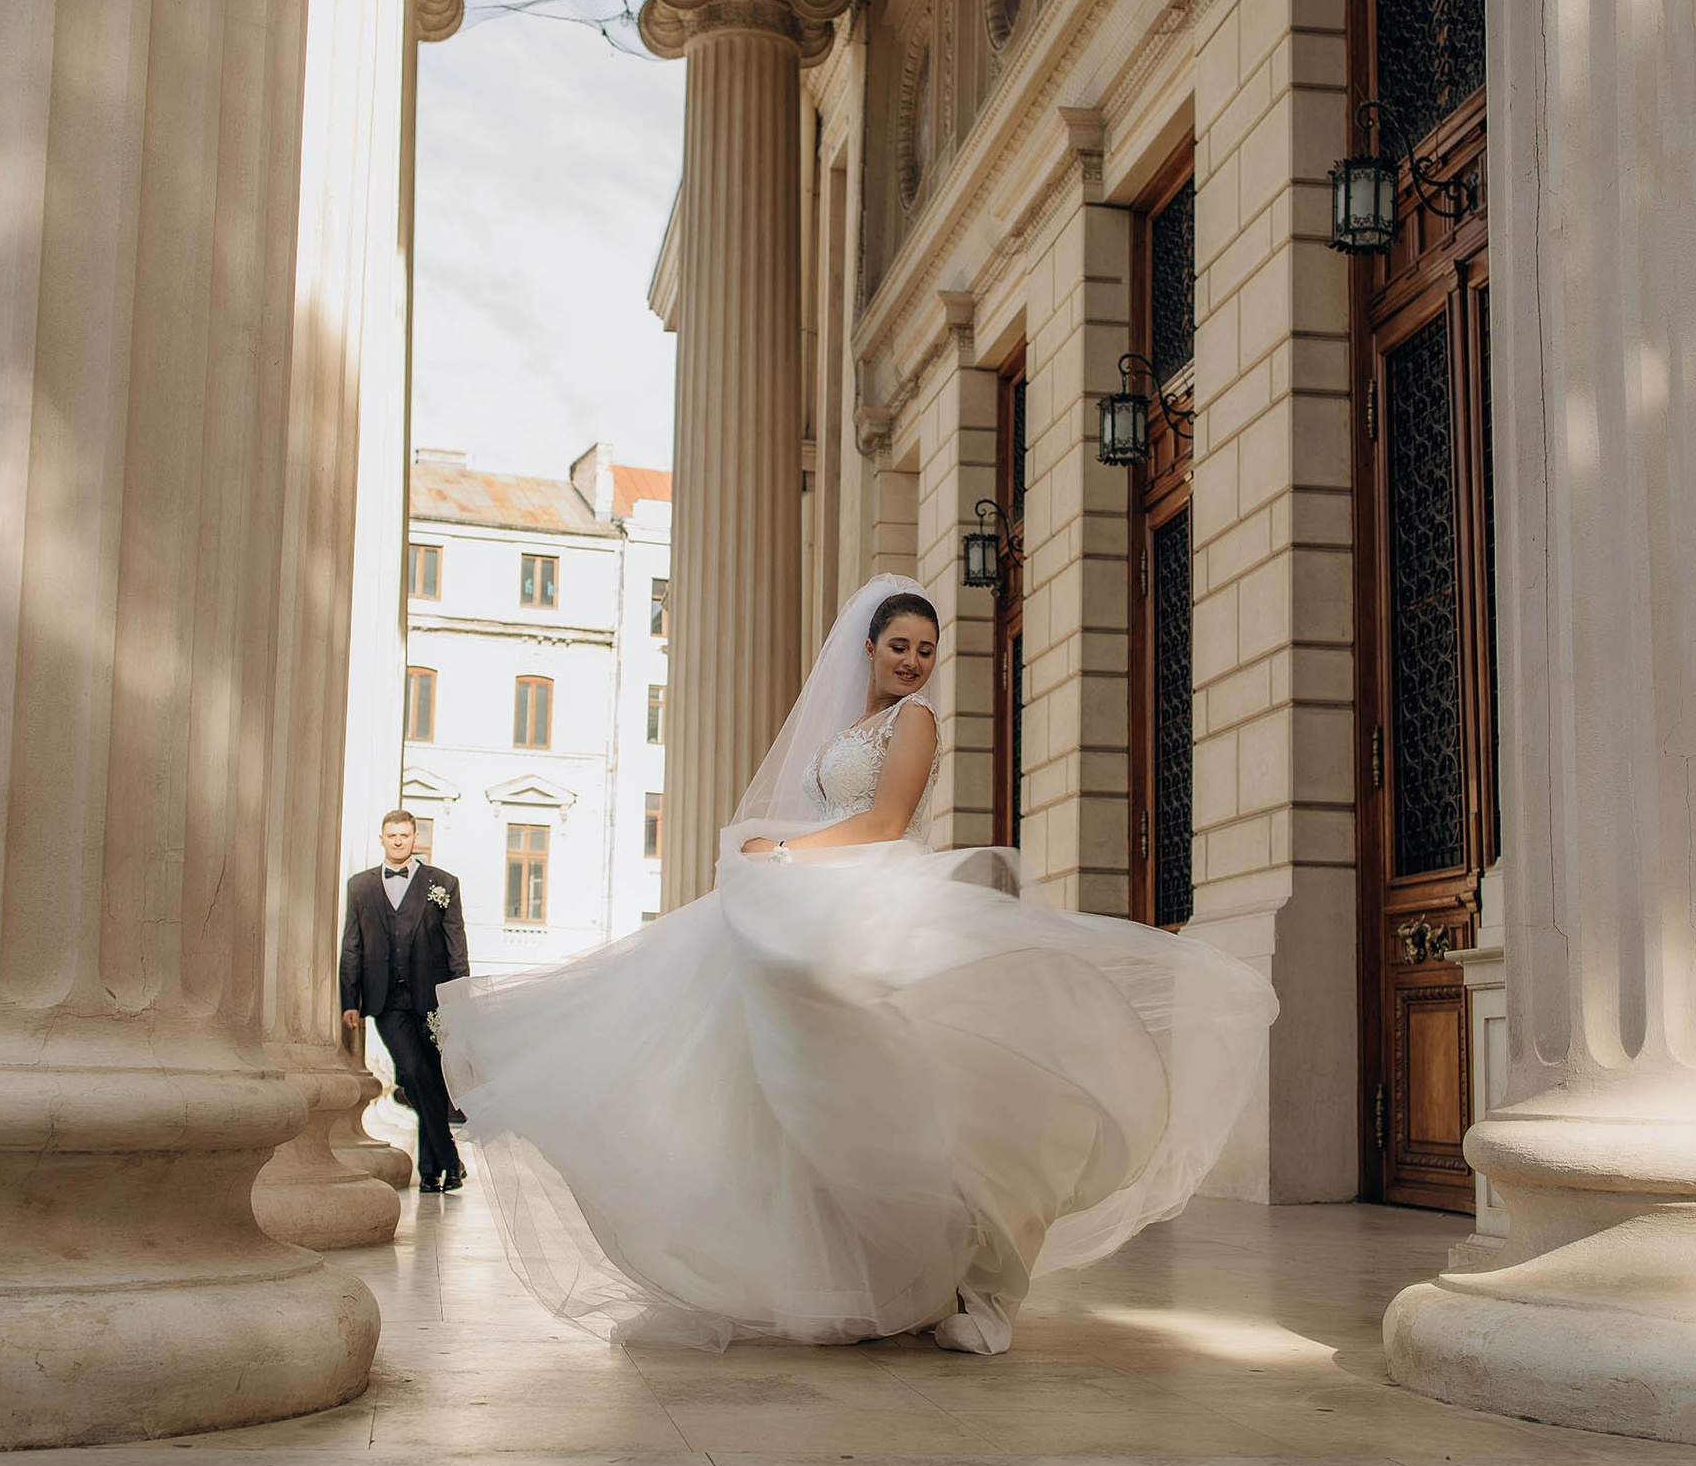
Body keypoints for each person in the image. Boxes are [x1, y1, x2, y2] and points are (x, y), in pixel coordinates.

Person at [432, 575, 1278, 1353]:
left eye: (926, 649)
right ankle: (849, 1267)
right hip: (833, 896)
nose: (913, 661)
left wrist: (787, 859)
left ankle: (980, 1283)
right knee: (786, 1069)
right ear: (868, 648)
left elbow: (884, 821)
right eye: (900, 645)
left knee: (929, 1087)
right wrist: (780, 857)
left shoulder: (916, 722)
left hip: (885, 902)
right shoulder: (852, 727)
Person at [341, 810, 472, 1193]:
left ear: (415, 839)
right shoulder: (360, 887)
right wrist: (349, 999)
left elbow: (456, 946)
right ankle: (450, 1159)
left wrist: (458, 996)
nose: (398, 841)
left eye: (405, 835)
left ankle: (431, 1172)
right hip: (386, 1000)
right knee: (414, 1074)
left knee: (428, 1079)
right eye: (391, 835)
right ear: (382, 838)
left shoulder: (443, 884)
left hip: (432, 999)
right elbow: (353, 946)